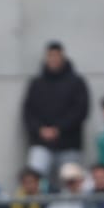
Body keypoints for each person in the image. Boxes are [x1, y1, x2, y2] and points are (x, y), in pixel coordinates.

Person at [22, 40, 90, 172]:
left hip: (69, 144)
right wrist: (40, 129)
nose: (53, 59)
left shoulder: (76, 82)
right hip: (41, 143)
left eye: (56, 56)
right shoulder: (36, 84)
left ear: (62, 57)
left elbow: (81, 110)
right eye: (50, 56)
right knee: (35, 177)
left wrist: (59, 129)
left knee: (71, 182)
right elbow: (28, 111)